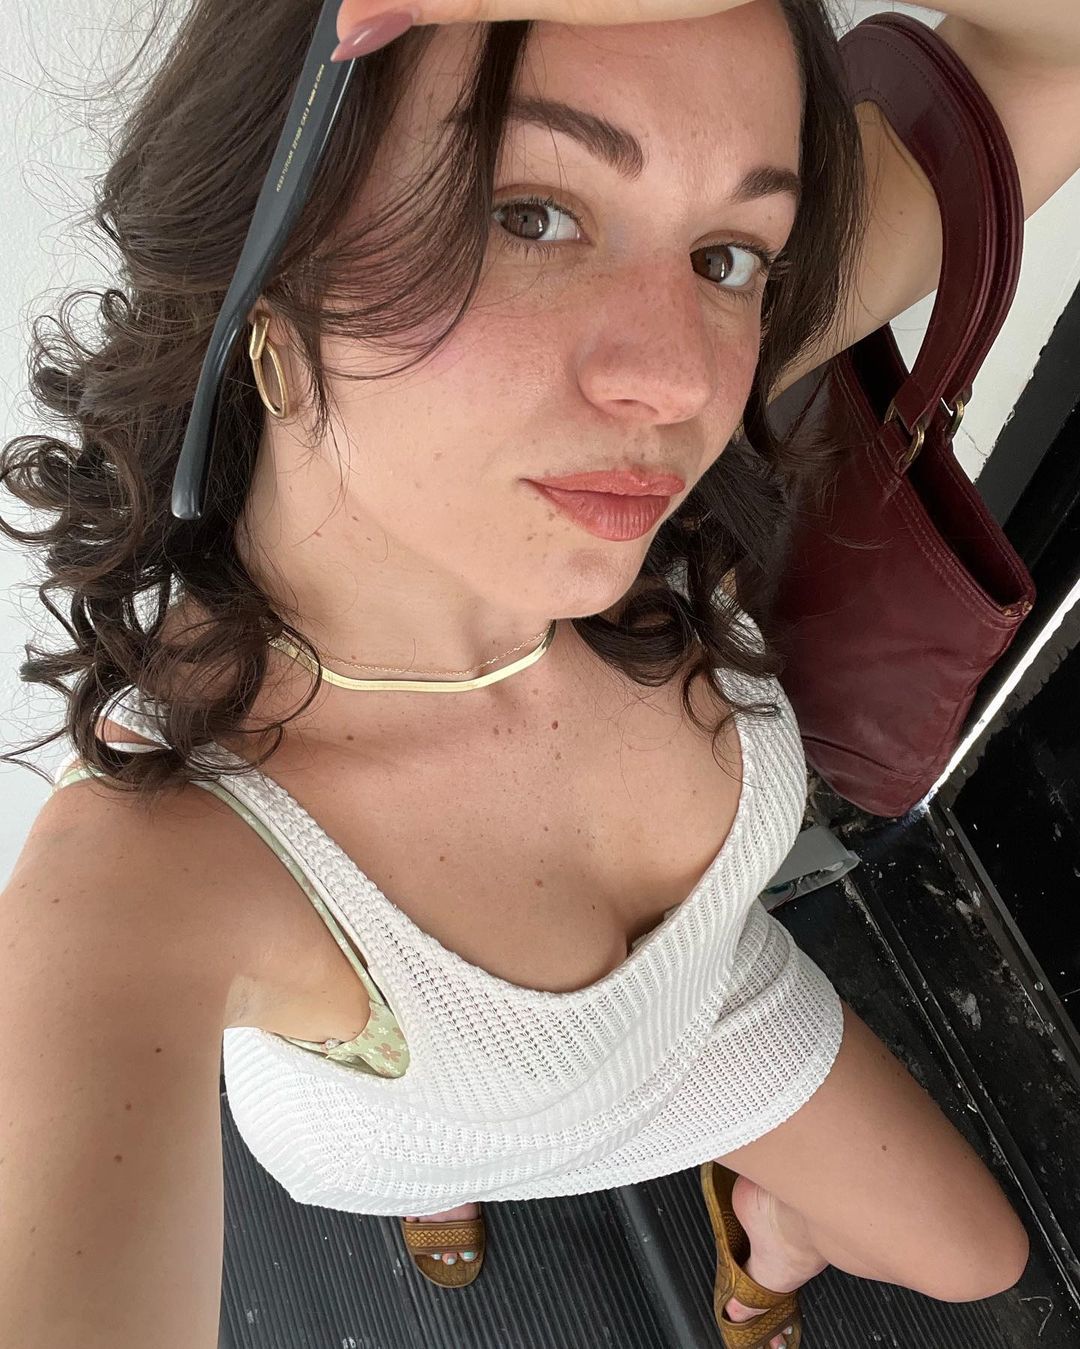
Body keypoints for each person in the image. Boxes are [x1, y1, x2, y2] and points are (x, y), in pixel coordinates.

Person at [3, 0, 1077, 1344]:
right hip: (403, 1125)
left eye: (730, 253)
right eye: (530, 216)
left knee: (976, 1259)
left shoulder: (632, 437)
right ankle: (431, 1180)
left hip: (704, 1016)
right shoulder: (148, 873)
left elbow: (1050, 51)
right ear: (267, 273)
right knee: (427, 1132)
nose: (675, 382)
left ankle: (774, 1223)